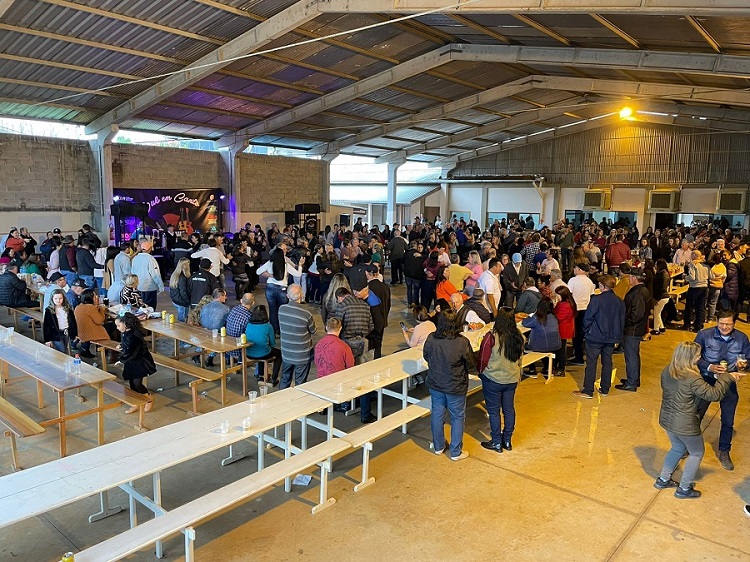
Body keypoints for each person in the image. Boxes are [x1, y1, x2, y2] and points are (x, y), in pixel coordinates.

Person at [654, 341, 739, 499]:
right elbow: (714, 395)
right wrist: (727, 377)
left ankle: (663, 479)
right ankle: (684, 489)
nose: (700, 358)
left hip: (667, 419)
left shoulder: (668, 370)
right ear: (689, 358)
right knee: (696, 452)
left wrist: (714, 377)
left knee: (677, 448)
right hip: (685, 423)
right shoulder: (693, 378)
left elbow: (688, 389)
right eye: (698, 356)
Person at [694, 309, 750, 471]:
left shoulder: (742, 338)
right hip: (707, 380)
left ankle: (724, 451)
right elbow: (694, 356)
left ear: (734, 323)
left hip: (728, 383)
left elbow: (747, 359)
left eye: (728, 324)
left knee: (728, 420)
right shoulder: (705, 335)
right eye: (721, 323)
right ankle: (688, 446)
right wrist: (709, 366)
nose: (724, 327)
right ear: (716, 321)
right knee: (696, 415)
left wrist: (742, 370)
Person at [423, 309, 475, 461]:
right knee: (457, 417)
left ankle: (438, 446)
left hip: (435, 383)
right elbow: (470, 363)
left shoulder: (431, 338)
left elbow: (426, 356)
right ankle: (455, 452)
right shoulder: (462, 342)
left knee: (437, 415)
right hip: (455, 385)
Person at [478, 309, 524, 452]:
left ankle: (496, 442)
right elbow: (520, 360)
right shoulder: (519, 337)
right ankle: (507, 440)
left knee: (493, 411)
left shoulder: (491, 337)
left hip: (493, 379)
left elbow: (482, 359)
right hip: (511, 379)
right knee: (509, 409)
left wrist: (481, 372)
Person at [573, 274, 625, 399]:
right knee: (607, 362)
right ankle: (605, 388)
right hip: (611, 337)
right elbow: (622, 321)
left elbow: (588, 317)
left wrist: (586, 331)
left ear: (602, 285)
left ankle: (588, 390)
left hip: (595, 336)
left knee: (591, 363)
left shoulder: (596, 299)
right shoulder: (620, 302)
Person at [615, 268, 651, 392]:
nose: (629, 279)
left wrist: (626, 323)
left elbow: (637, 314)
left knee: (631, 356)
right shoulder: (643, 290)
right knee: (634, 355)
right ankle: (634, 379)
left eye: (630, 277)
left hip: (633, 329)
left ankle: (631, 383)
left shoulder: (638, 292)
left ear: (635, 278)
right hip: (636, 328)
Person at [257, 243, 304, 335]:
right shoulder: (285, 265)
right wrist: (300, 265)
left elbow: (258, 271)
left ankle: (274, 330)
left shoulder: (269, 263)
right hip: (282, 289)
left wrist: (271, 275)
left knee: (272, 310)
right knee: (283, 310)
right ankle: (282, 329)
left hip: (270, 288)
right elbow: (298, 274)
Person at [114, 312, 156, 413]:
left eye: (119, 325)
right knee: (132, 384)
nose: (117, 328)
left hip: (140, 361)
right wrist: (122, 345)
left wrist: (121, 359)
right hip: (131, 361)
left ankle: (149, 399)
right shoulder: (127, 332)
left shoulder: (135, 335)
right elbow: (127, 344)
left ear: (126, 324)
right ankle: (136, 403)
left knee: (137, 383)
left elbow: (132, 351)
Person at [278, 284, 316, 388]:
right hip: (302, 355)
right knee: (300, 383)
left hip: (286, 353)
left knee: (285, 378)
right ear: (301, 295)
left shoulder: (281, 309)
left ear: (287, 296)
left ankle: (281, 401)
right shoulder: (306, 313)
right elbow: (313, 330)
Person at [521, 297, 561, 378]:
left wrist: (532, 314)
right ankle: (547, 369)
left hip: (542, 346)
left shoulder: (537, 318)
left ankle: (532, 370)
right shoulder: (554, 317)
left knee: (523, 348)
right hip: (555, 345)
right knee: (543, 344)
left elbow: (525, 323)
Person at [244, 304, 282, 384]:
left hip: (248, 353)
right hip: (263, 353)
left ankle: (261, 375)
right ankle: (274, 378)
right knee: (279, 354)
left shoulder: (249, 324)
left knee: (261, 350)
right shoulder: (268, 326)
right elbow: (272, 344)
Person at [567, 260, 595, 366]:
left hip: (576, 310)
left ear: (579, 270)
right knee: (584, 334)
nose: (574, 270)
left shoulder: (573, 280)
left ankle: (578, 357)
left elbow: (569, 295)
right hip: (587, 310)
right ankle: (584, 354)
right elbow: (592, 295)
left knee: (577, 335)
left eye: (575, 268)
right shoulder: (589, 281)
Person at [74, 289, 114, 359]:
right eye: (95, 297)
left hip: (81, 332)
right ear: (90, 298)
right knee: (113, 326)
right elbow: (100, 321)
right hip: (91, 333)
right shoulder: (90, 307)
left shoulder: (78, 307)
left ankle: (85, 349)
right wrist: (102, 309)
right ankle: (111, 352)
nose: (97, 298)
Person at [199, 288, 230, 367]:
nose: (226, 298)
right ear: (220, 297)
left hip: (205, 330)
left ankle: (198, 353)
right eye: (224, 296)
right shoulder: (225, 308)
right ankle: (226, 357)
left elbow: (201, 318)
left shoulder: (205, 307)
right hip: (217, 333)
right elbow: (228, 322)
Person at [130, 240, 164, 309]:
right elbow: (155, 274)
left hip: (138, 286)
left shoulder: (135, 258)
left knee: (141, 308)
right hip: (149, 288)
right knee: (150, 309)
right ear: (150, 248)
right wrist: (161, 286)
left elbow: (132, 272)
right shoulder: (150, 259)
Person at [42, 288, 77, 353]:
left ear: (63, 298)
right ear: (52, 299)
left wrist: (75, 334)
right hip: (55, 334)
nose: (58, 300)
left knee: (64, 349)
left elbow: (73, 322)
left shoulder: (68, 309)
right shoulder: (49, 311)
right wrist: (47, 340)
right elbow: (46, 326)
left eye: (60, 298)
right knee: (62, 350)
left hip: (66, 332)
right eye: (56, 298)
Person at [683, 250, 709, 332]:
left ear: (694, 255)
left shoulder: (693, 264)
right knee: (701, 307)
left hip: (695, 287)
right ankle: (699, 326)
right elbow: (711, 275)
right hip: (704, 287)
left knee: (689, 307)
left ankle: (687, 324)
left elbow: (692, 277)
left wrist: (685, 277)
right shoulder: (706, 264)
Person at [553, 286, 576, 377]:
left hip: (563, 330)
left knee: (561, 350)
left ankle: (561, 368)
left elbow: (558, 317)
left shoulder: (565, 305)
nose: (556, 296)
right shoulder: (565, 303)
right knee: (560, 349)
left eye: (557, 294)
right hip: (563, 329)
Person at [225, 292, 255, 361]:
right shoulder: (249, 316)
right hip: (239, 348)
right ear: (253, 303)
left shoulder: (234, 309)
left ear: (241, 301)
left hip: (228, 344)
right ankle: (241, 361)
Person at [168, 258, 191, 322]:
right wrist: (188, 301)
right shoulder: (182, 278)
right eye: (188, 263)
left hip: (175, 300)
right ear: (184, 265)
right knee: (182, 321)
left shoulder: (175, 275)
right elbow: (183, 292)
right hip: (182, 302)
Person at [652, 258, 670, 335]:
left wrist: (656, 298)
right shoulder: (665, 273)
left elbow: (660, 288)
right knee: (658, 313)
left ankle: (656, 329)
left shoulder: (662, 275)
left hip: (661, 297)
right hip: (664, 296)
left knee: (656, 313)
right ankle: (661, 327)